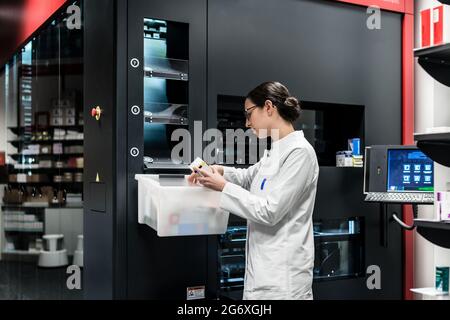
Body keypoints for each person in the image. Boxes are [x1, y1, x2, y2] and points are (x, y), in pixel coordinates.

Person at [189, 81, 319, 300]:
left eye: (249, 114)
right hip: (263, 272)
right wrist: (219, 170)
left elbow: (270, 211)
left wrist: (223, 187)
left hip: (284, 279)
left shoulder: (300, 153)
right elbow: (248, 177)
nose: (247, 123)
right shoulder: (275, 151)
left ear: (268, 107)